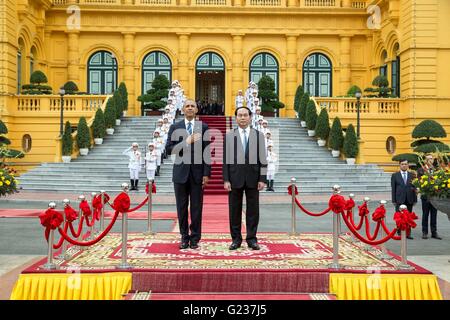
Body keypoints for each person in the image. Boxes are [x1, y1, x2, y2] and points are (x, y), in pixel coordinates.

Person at [166, 99, 211, 250]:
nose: (190, 108)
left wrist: (206, 173)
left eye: (193, 106)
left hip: (198, 174)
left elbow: (207, 152)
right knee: (182, 207)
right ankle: (184, 237)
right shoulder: (175, 127)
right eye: (187, 106)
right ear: (182, 109)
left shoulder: (203, 127)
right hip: (180, 173)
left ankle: (195, 238)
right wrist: (186, 142)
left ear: (197, 109)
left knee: (197, 208)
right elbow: (169, 149)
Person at [223, 106, 267, 251]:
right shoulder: (229, 135)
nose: (242, 118)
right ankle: (236, 239)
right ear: (236, 118)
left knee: (253, 210)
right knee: (234, 210)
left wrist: (262, 178)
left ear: (250, 117)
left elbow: (263, 158)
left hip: (253, 179)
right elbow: (226, 159)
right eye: (240, 115)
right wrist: (226, 180)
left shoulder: (258, 135)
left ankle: (252, 239)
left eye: (245, 115)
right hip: (234, 178)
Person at [417, 154, 442, 240]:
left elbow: (440, 181)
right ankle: (425, 232)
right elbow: (420, 182)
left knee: (434, 215)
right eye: (429, 159)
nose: (431, 160)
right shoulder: (421, 170)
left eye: (431, 159)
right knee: (425, 214)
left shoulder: (436, 170)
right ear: (425, 161)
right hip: (426, 196)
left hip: (435, 196)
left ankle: (434, 232)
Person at [391, 159, 417, 239]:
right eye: (402, 164)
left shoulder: (412, 175)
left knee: (408, 217)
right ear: (400, 165)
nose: (404, 165)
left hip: (409, 199)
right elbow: (393, 188)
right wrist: (394, 200)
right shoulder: (395, 175)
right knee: (399, 217)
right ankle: (400, 232)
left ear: (408, 165)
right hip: (399, 199)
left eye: (406, 164)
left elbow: (414, 188)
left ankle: (408, 234)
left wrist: (415, 199)